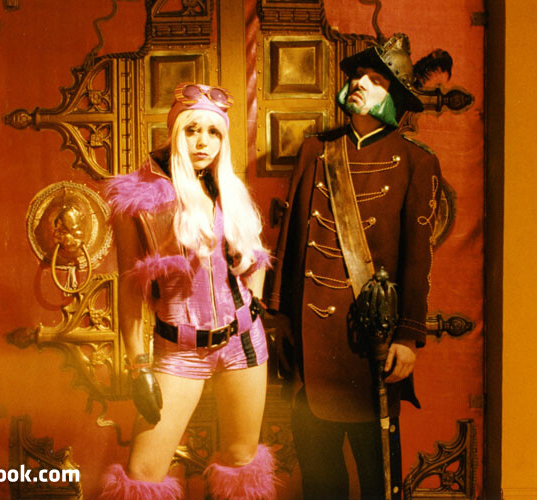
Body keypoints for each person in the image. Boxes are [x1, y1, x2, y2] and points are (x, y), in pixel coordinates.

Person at [266, 34, 442, 500]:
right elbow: (290, 241)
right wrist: (282, 319)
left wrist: (408, 337)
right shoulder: (315, 150)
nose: (360, 83)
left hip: (372, 343)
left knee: (377, 476)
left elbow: (418, 257)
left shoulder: (416, 161)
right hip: (311, 339)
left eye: (375, 79)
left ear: (395, 96)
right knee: (319, 476)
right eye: (358, 75)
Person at [101, 82, 276, 500]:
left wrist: (253, 306)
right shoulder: (139, 200)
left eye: (214, 132)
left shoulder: (227, 189)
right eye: (192, 130)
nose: (203, 142)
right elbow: (130, 291)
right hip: (179, 351)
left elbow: (255, 257)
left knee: (242, 460)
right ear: (174, 131)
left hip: (243, 344)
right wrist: (138, 366)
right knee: (144, 473)